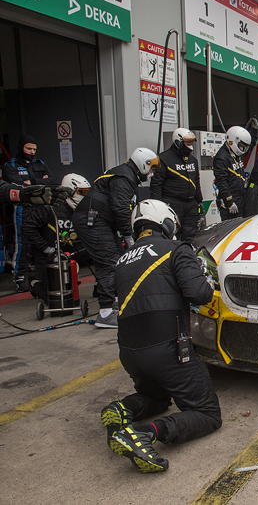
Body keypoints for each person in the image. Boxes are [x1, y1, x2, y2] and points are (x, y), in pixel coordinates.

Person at [101, 199, 218, 474]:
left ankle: (123, 409)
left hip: (130, 353)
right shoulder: (177, 249)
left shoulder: (122, 261)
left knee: (157, 398)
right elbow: (199, 294)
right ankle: (144, 435)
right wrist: (207, 278)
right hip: (168, 349)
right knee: (208, 414)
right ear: (166, 223)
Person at [74, 148, 160, 328]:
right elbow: (120, 208)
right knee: (110, 263)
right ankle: (105, 314)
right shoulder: (124, 177)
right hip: (93, 222)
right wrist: (128, 235)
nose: (151, 173)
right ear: (143, 164)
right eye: (151, 168)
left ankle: (114, 302)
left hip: (99, 221)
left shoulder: (126, 175)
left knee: (117, 260)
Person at [22, 174, 90, 299]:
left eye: (86, 192)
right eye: (81, 192)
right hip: (46, 253)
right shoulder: (49, 207)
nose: (84, 196)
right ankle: (35, 282)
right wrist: (46, 248)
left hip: (69, 250)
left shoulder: (82, 209)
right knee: (52, 297)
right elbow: (28, 228)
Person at [2, 136, 56, 291]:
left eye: (34, 149)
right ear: (21, 148)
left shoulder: (40, 163)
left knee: (45, 242)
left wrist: (31, 182)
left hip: (43, 207)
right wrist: (40, 180)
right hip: (22, 208)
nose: (32, 152)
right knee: (22, 244)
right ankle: (20, 277)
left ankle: (44, 276)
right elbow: (17, 186)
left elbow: (52, 181)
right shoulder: (10, 165)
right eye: (29, 148)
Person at [150, 128, 203, 241]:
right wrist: (157, 207)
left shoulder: (193, 160)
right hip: (172, 204)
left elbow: (196, 181)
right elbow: (156, 184)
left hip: (191, 204)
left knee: (191, 235)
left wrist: (199, 200)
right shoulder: (163, 159)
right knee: (172, 235)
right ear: (178, 142)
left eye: (191, 142)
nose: (190, 145)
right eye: (187, 142)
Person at [212, 126, 251, 221]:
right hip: (230, 201)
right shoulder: (221, 158)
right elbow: (221, 181)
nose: (243, 149)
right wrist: (229, 202)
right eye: (241, 146)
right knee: (232, 226)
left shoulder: (236, 154)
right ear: (233, 141)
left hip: (240, 197)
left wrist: (254, 131)